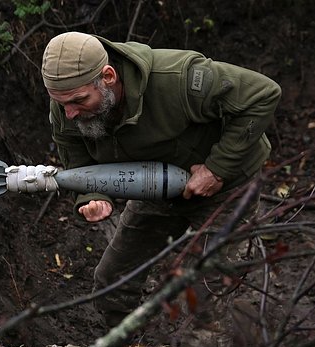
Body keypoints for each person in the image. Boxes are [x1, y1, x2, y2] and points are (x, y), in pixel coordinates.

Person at [41, 31, 282, 328]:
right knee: (112, 281)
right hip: (155, 185)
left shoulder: (178, 78)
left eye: (78, 100)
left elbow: (262, 94)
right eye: (61, 103)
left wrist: (217, 168)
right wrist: (93, 195)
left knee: (206, 289)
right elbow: (76, 157)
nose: (70, 113)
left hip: (226, 185)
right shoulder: (67, 104)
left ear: (108, 76)